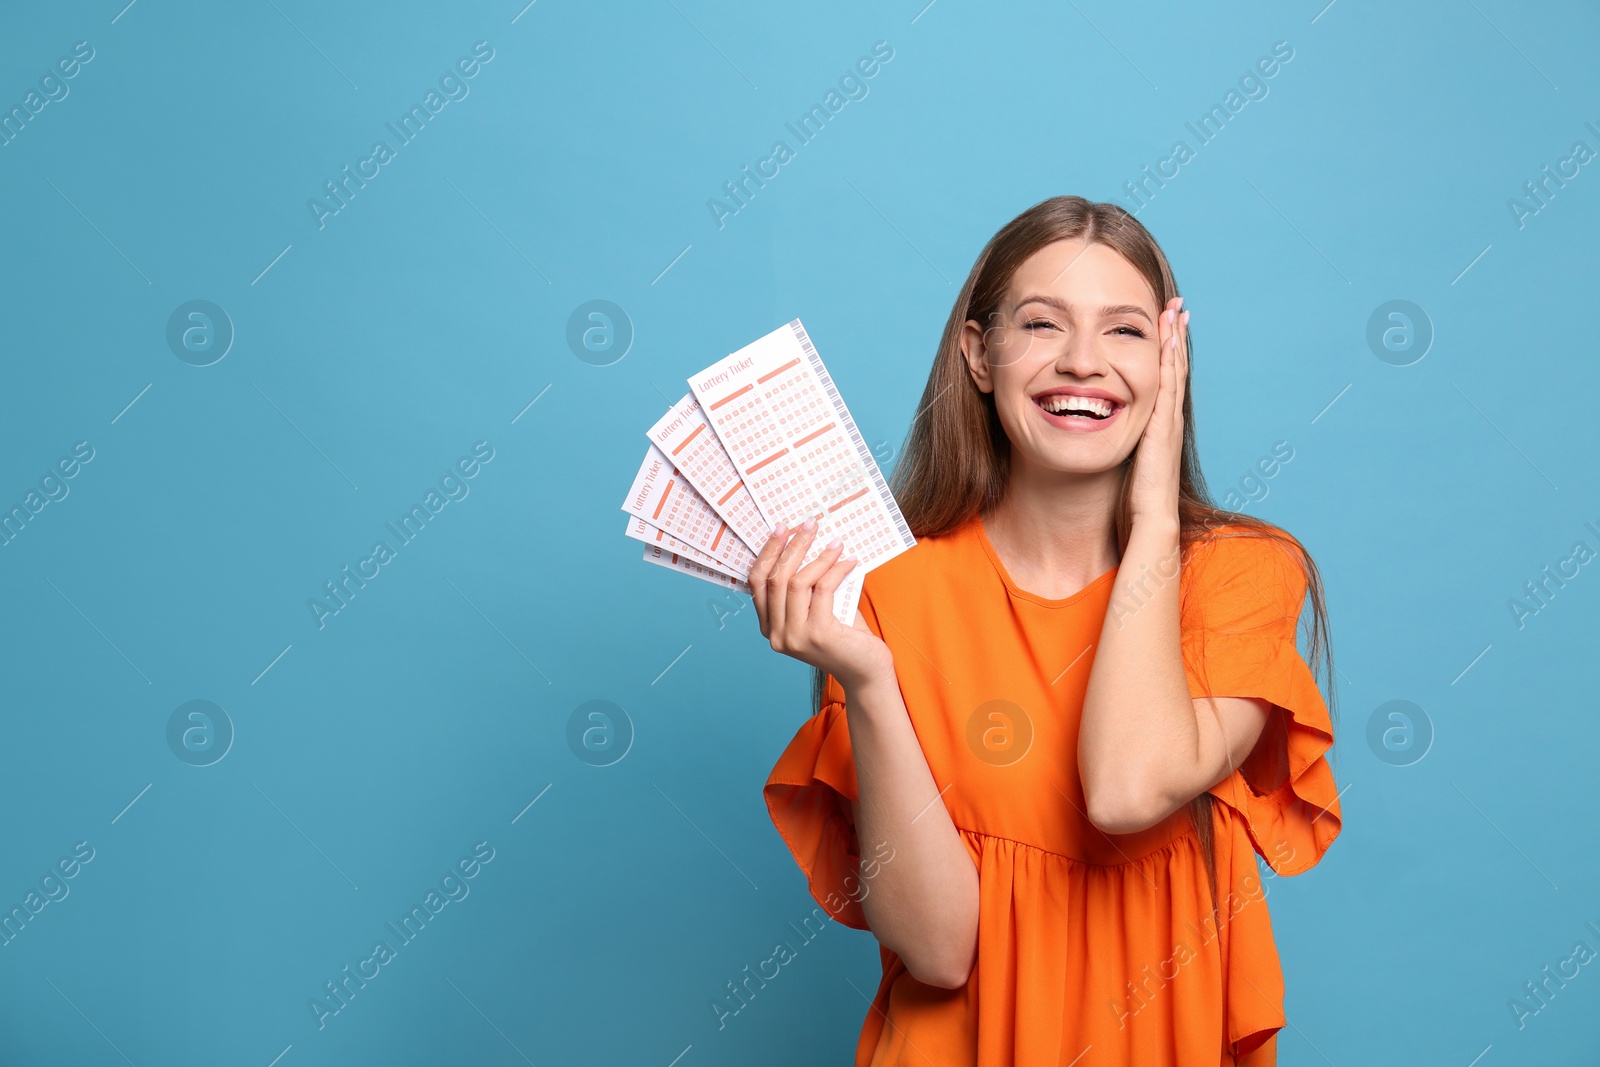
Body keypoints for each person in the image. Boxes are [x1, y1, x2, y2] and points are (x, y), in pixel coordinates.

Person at [751, 195, 1342, 1066]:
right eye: (1040, 323)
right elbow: (939, 950)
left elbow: (1124, 788)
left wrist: (1151, 524)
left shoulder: (1242, 573)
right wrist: (871, 684)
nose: (1082, 362)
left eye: (1126, 331)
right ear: (979, 354)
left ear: (1171, 361)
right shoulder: (888, 589)